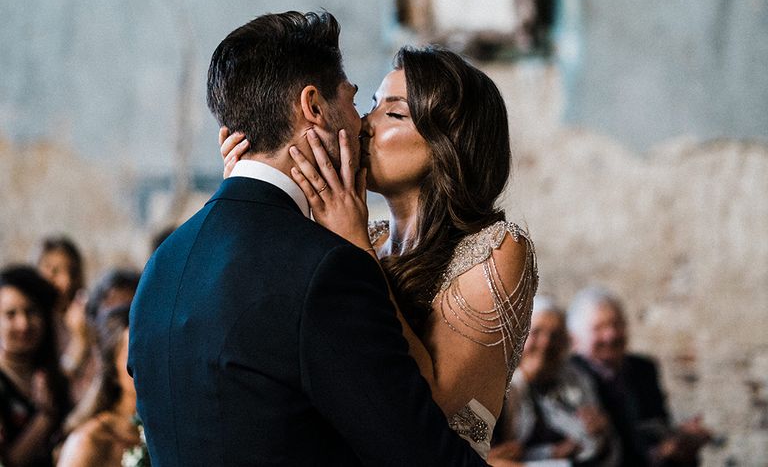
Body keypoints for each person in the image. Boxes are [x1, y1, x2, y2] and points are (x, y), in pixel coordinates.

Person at [128, 11, 486, 466]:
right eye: (355, 101)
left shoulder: (164, 262)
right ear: (314, 107)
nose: (363, 123)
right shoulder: (326, 269)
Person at [222, 43, 538, 458]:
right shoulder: (361, 236)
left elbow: (426, 405)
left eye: (393, 113)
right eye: (370, 104)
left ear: (451, 142)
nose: (364, 124)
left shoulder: (497, 247)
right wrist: (252, 199)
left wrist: (352, 246)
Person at [567, 287, 712, 466]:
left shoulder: (643, 368)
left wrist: (679, 440)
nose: (611, 334)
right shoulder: (568, 378)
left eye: (617, 324)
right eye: (599, 328)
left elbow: (656, 425)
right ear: (575, 339)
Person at [489, 296, 619, 466]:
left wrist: (600, 435)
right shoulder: (498, 390)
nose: (546, 343)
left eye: (555, 336)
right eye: (536, 332)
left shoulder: (577, 381)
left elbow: (599, 449)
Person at [0, 265, 71, 467]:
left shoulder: (53, 378)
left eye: (31, 312)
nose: (24, 324)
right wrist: (45, 418)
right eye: (11, 314)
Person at [57, 305, 141, 467]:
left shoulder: (175, 427)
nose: (148, 366)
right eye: (134, 358)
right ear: (113, 371)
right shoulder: (89, 442)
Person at [35, 237, 90, 403]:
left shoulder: (85, 314)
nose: (65, 282)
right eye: (53, 271)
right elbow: (53, 390)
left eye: (72, 272)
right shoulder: (31, 324)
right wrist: (79, 340)